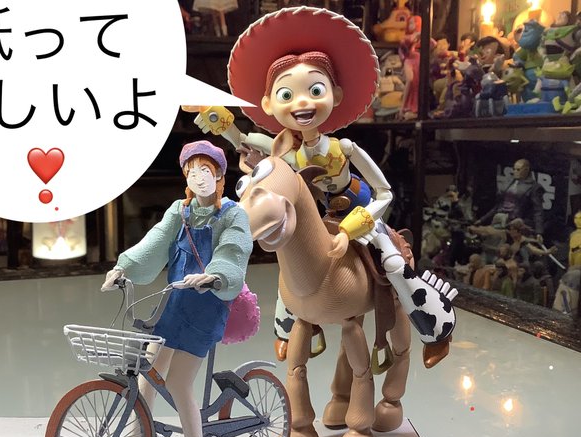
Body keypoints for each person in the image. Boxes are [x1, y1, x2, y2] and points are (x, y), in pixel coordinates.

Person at [190, 7, 456, 350]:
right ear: (268, 104)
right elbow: (242, 141)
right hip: (317, 213)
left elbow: (385, 193)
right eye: (287, 95)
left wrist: (353, 228)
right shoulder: (285, 150)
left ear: (336, 95)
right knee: (292, 256)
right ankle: (287, 326)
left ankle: (433, 326)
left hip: (359, 211)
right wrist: (213, 114)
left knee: (391, 260)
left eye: (315, 90)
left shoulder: (343, 148)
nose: (302, 102)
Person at [102, 141, 252, 437]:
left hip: (207, 309)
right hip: (173, 305)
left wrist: (214, 275)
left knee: (179, 383)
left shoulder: (232, 215)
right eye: (191, 171)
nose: (198, 177)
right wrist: (123, 267)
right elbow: (155, 242)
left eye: (206, 170)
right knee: (147, 376)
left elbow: (233, 251)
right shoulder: (179, 211)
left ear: (220, 175)